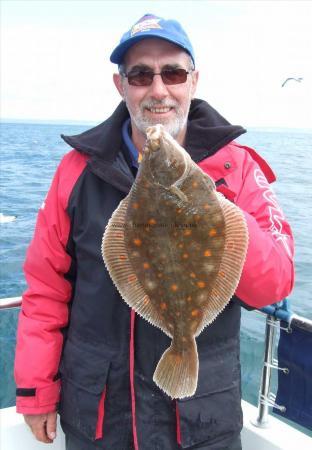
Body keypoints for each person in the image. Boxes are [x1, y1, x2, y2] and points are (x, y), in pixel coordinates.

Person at [14, 14, 294, 450]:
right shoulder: (75, 173)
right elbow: (46, 288)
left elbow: (273, 284)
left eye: (174, 73)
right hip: (101, 419)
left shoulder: (236, 168)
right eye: (141, 75)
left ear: (193, 81)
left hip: (201, 423)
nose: (158, 89)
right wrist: (35, 389)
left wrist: (218, 206)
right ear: (120, 85)